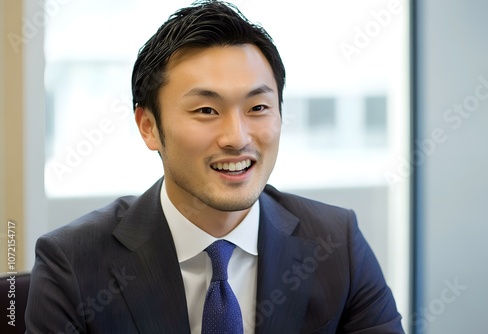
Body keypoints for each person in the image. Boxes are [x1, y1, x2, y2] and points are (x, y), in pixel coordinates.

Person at [25, 1, 404, 333]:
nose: (237, 137)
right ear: (149, 127)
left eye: (258, 108)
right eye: (206, 110)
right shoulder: (72, 264)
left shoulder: (338, 245)